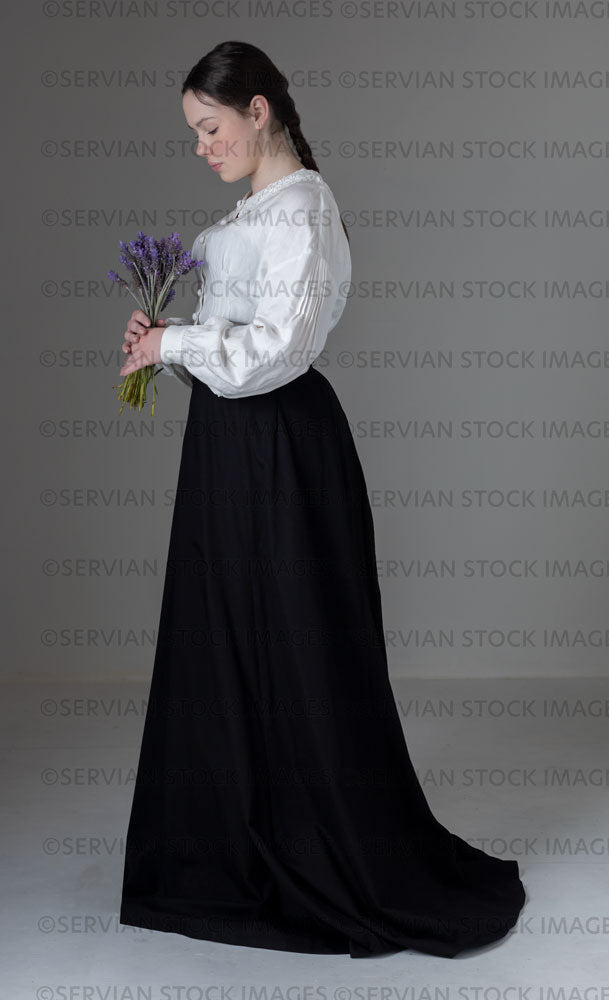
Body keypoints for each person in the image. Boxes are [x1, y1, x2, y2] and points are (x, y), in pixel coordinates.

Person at [118, 39, 527, 959]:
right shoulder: (258, 209)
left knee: (292, 644)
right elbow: (233, 349)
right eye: (195, 133)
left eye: (210, 128)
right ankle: (229, 841)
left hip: (279, 455)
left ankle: (313, 844)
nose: (201, 147)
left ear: (259, 111)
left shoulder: (302, 211)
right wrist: (167, 345)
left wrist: (180, 343)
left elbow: (272, 355)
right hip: (234, 447)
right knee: (228, 638)